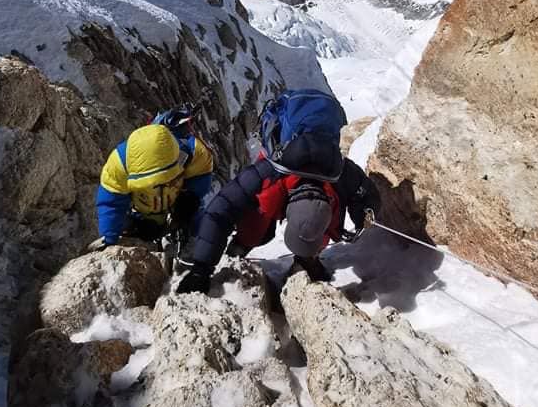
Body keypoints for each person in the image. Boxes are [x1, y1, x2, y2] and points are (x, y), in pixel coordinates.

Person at [177, 89, 380, 294]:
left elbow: (369, 197)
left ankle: (305, 259)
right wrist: (201, 269)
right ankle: (242, 248)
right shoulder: (271, 172)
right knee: (257, 224)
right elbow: (221, 210)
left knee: (311, 221)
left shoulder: (336, 173)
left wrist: (364, 214)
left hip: (310, 201)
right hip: (279, 188)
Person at [93, 105, 213, 249]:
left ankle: (201, 247)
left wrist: (190, 198)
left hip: (168, 206)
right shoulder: (119, 163)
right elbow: (112, 202)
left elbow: (201, 175)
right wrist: (110, 235)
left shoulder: (194, 152)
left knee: (196, 225)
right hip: (142, 215)